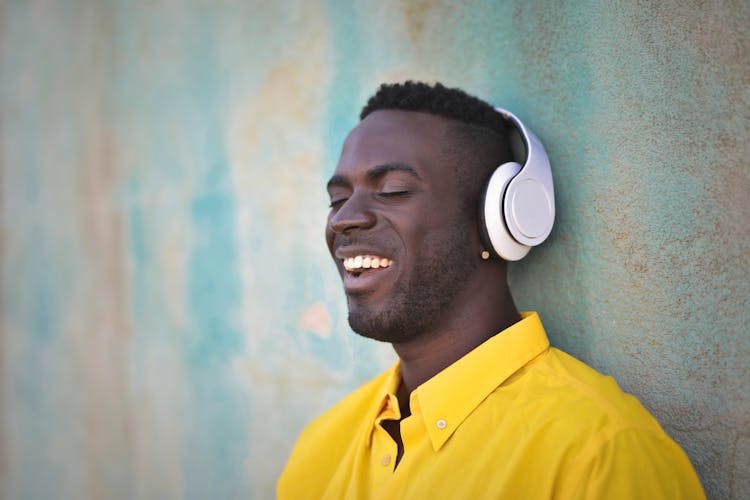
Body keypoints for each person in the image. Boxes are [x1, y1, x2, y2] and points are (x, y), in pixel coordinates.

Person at [277, 81, 704, 499]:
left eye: (393, 190)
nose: (343, 219)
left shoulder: (599, 454)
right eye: (336, 200)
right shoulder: (319, 449)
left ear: (499, 218)